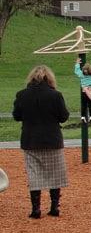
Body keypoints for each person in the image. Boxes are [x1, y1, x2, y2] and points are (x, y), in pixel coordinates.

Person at [12, 65, 70, 218]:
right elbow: (64, 116)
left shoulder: (21, 95)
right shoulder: (55, 95)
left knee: (34, 174)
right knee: (55, 173)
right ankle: (54, 206)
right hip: (52, 139)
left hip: (30, 139)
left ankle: (36, 208)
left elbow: (17, 116)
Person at [74, 57, 91, 123]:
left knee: (83, 105)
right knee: (90, 105)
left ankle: (83, 117)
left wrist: (77, 63)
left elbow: (76, 71)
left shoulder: (81, 75)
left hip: (84, 92)